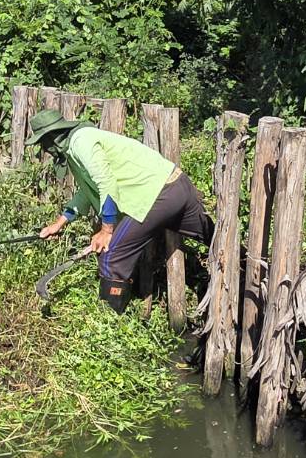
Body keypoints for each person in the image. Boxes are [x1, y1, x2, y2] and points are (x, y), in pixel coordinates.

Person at [27, 109, 213, 312]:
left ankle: (110, 320)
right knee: (215, 240)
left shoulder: (80, 142)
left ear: (52, 137)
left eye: (42, 142)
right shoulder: (77, 144)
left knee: (111, 256)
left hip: (156, 195)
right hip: (176, 185)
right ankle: (238, 274)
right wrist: (59, 223)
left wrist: (107, 230)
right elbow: (86, 192)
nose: (43, 149)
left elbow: (106, 183)